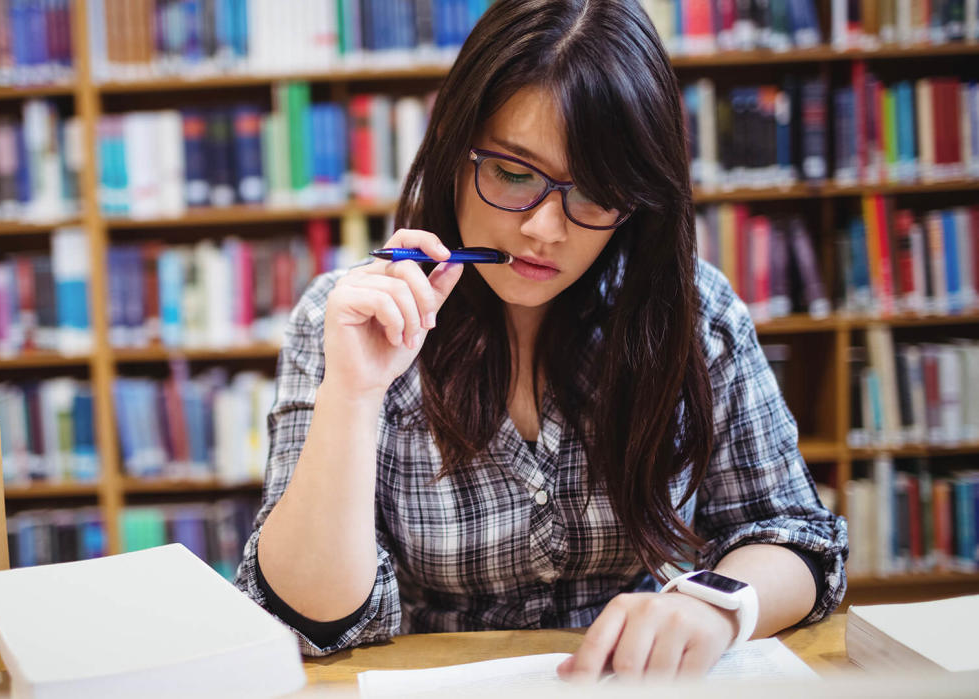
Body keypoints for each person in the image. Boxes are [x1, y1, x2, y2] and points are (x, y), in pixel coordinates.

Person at [234, 0, 847, 680]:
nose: (544, 230)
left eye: (596, 192)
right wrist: (354, 391)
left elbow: (797, 536)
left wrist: (715, 606)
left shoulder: (694, 313)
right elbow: (308, 617)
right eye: (515, 174)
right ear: (453, 147)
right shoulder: (348, 316)